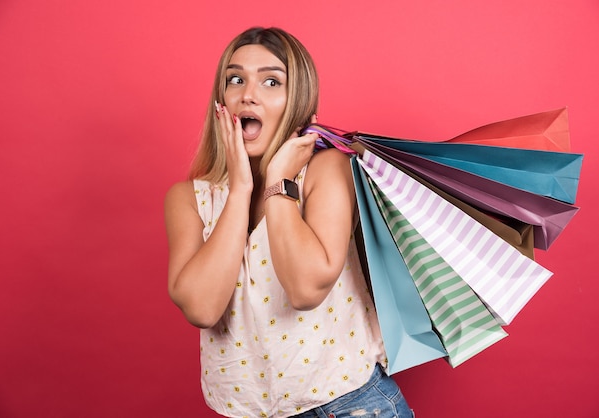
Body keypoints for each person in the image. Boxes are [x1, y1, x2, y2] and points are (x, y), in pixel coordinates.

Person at [165, 27, 413, 418]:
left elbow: (305, 289)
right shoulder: (188, 199)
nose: (248, 93)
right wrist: (241, 188)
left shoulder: (326, 171)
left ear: (296, 100)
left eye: (271, 81)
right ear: (222, 101)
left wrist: (278, 181)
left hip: (347, 407)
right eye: (235, 79)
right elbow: (201, 308)